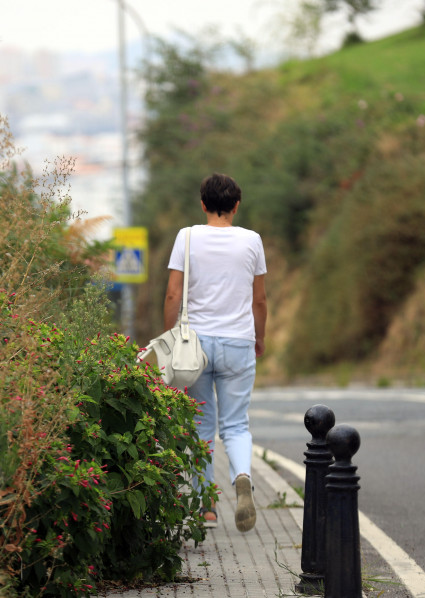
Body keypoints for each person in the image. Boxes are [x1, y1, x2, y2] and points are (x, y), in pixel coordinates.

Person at [162, 172, 267, 533]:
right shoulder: (252, 241)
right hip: (239, 341)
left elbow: (174, 294)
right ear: (236, 206)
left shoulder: (186, 237)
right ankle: (241, 477)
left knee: (201, 426)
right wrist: (260, 338)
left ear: (203, 204)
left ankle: (205, 505)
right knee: (236, 425)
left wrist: (172, 336)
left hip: (196, 345)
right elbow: (260, 299)